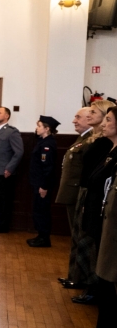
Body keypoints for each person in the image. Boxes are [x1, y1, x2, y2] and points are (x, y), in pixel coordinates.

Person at [73, 105, 116, 306]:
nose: (90, 116)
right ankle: (87, 284)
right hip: (92, 198)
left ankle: (92, 288)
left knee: (93, 248)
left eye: (107, 118)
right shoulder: (100, 142)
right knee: (85, 241)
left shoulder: (107, 146)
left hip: (101, 204)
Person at [57, 108, 99, 288]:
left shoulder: (91, 141)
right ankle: (73, 275)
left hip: (79, 193)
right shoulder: (82, 139)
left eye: (78, 117)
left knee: (80, 238)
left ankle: (79, 278)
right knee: (75, 237)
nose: (74, 120)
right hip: (72, 193)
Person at [27, 115, 60, 247]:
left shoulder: (48, 145)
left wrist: (44, 186)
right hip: (38, 183)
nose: (36, 128)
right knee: (38, 210)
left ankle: (44, 238)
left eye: (39, 126)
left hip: (42, 184)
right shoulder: (42, 141)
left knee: (42, 211)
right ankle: (40, 235)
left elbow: (48, 168)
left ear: (47, 129)